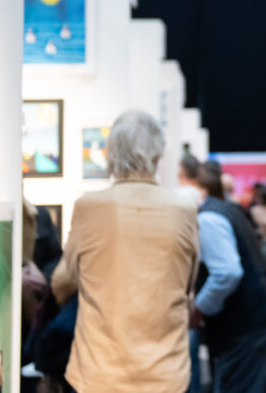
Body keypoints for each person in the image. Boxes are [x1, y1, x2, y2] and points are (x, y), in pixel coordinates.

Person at [51, 110, 199, 393]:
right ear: (158, 154)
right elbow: (187, 283)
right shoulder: (183, 209)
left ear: (111, 153)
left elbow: (63, 280)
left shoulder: (89, 207)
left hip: (98, 373)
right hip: (166, 374)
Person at [192, 164, 266, 393]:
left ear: (195, 187)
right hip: (255, 321)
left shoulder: (208, 217)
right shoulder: (226, 209)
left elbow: (227, 273)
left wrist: (198, 308)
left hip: (245, 327)